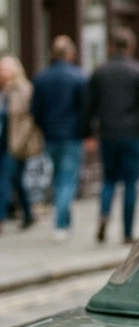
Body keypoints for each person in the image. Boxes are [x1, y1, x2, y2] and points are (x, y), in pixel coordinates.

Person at [85, 27, 139, 243]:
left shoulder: (100, 71)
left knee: (108, 179)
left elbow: (88, 105)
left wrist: (88, 133)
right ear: (131, 47)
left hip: (108, 132)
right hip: (131, 133)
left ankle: (104, 214)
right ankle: (127, 232)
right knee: (130, 183)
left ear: (111, 47)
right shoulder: (138, 71)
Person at [31, 35, 88, 241]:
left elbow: (35, 111)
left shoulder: (41, 78)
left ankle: (66, 221)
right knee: (68, 179)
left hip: (51, 136)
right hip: (72, 136)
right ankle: (61, 223)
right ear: (71, 54)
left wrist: (45, 127)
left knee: (59, 178)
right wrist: (86, 132)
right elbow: (85, 110)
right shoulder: (79, 77)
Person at [0, 54, 42, 231]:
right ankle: (29, 214)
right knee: (17, 180)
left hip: (17, 143)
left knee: (5, 179)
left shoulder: (25, 89)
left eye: (5, 69)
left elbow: (30, 119)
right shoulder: (3, 92)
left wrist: (22, 141)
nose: (2, 72)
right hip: (2, 142)